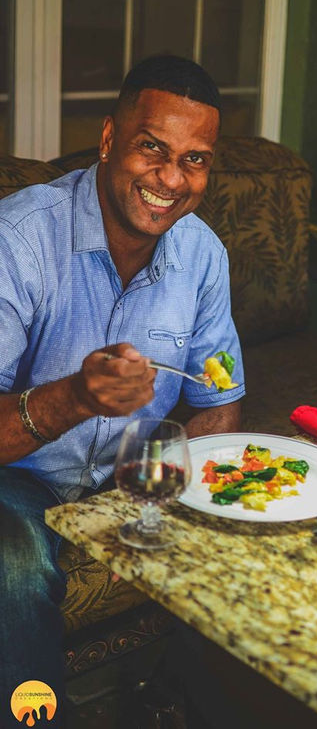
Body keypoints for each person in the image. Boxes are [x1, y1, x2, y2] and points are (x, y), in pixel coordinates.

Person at [0, 55, 245, 727]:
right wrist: (78, 397)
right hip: (19, 478)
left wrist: (150, 493)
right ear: (109, 139)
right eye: (152, 148)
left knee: (248, 527)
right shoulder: (19, 239)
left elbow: (220, 398)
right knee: (12, 566)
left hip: (129, 473)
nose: (172, 179)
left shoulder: (203, 256)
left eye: (194, 160)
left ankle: (170, 698)